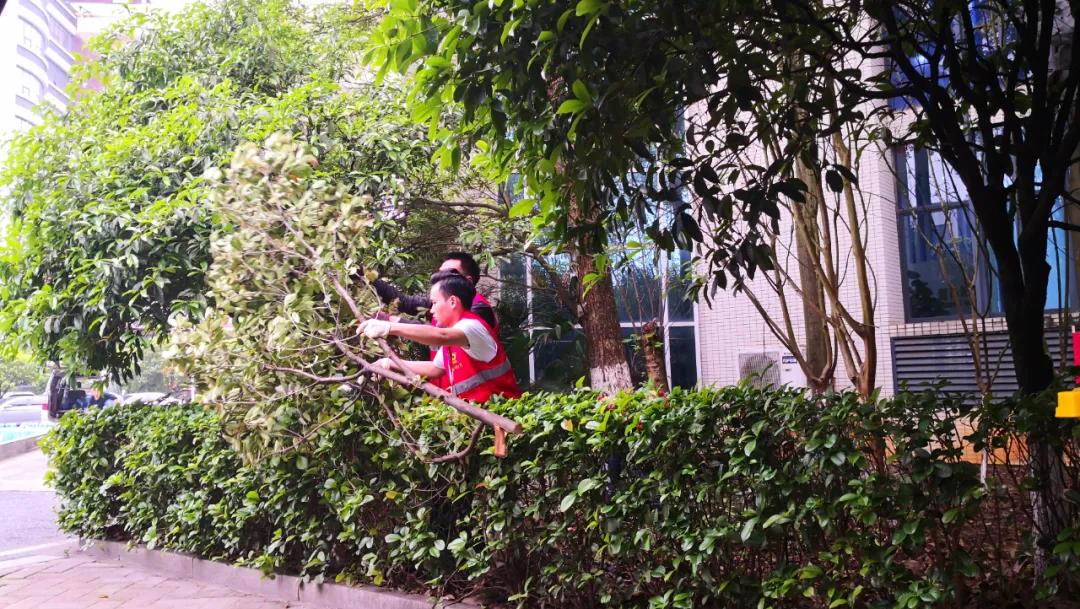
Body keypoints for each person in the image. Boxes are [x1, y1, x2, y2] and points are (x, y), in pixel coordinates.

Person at [358, 271, 521, 402]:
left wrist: (389, 327)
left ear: (452, 302)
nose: (432, 310)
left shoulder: (471, 326)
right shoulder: (455, 334)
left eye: (435, 303)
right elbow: (435, 369)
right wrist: (390, 363)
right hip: (480, 418)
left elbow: (440, 335)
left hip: (501, 416)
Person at [372, 252, 498, 332]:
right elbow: (405, 302)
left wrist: (391, 321)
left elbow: (441, 334)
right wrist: (370, 279)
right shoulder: (441, 302)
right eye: (440, 273)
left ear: (468, 281)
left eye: (448, 274)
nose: (440, 278)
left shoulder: (479, 310)